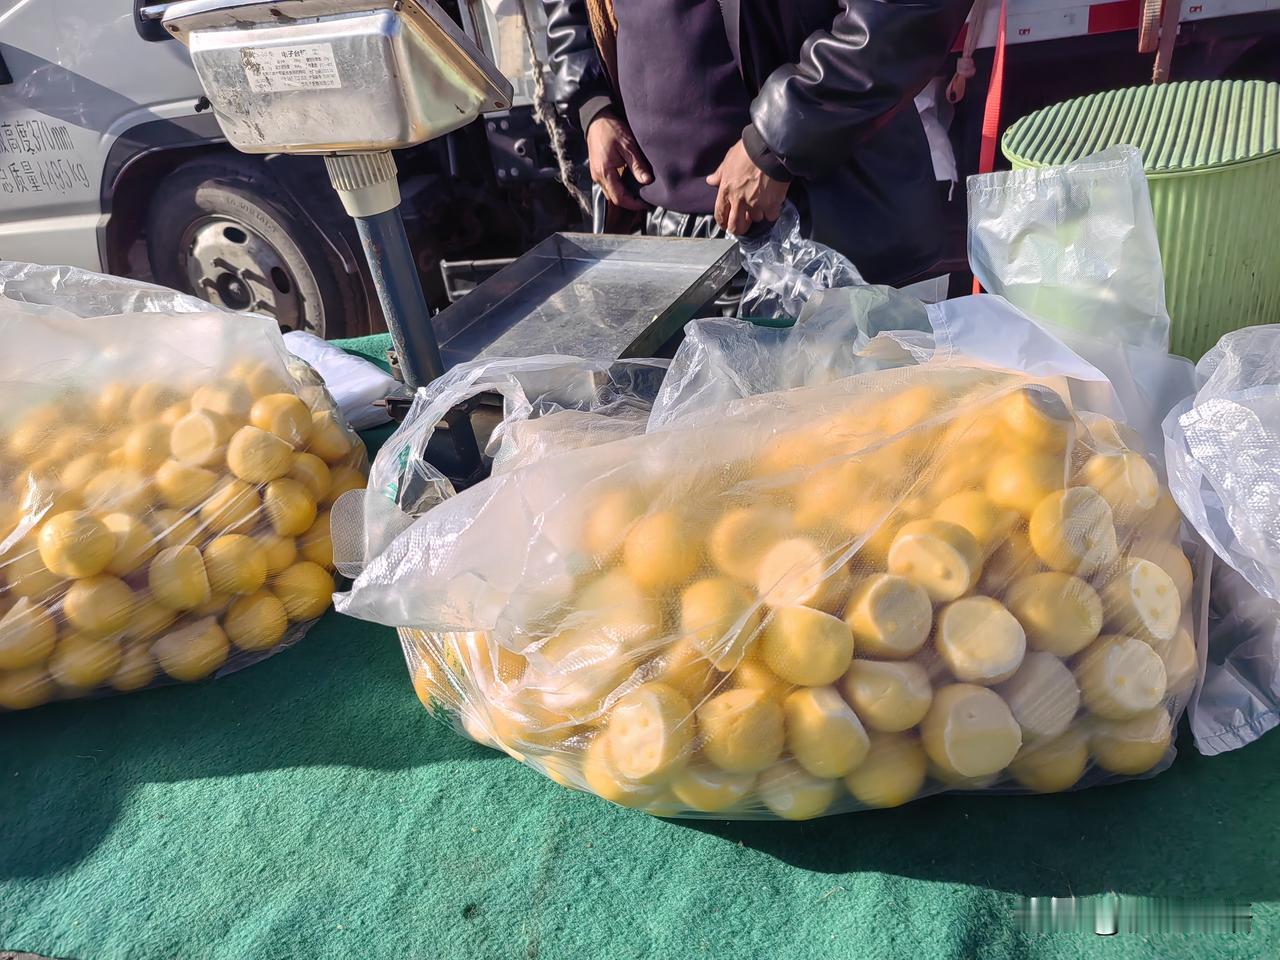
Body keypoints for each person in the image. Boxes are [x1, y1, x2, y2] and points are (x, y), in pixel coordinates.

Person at [543, 0, 972, 286]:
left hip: (824, 227)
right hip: (665, 239)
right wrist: (592, 104)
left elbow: (906, 9)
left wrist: (778, 140)